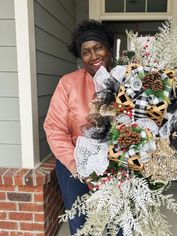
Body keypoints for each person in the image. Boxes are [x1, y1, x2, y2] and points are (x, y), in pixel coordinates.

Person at [44, 19, 114, 235]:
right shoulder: (68, 83)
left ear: (108, 49)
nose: (93, 56)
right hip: (74, 163)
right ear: (80, 57)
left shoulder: (126, 79)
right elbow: (54, 128)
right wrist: (76, 165)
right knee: (81, 223)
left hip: (116, 164)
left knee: (118, 221)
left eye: (98, 47)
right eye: (86, 52)